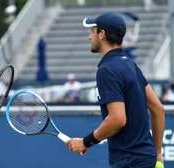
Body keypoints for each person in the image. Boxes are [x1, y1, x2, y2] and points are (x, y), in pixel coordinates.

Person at [66, 12, 165, 168]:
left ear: (102, 34)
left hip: (129, 161)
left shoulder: (106, 70)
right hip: (148, 159)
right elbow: (158, 109)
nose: (89, 36)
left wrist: (85, 142)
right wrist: (158, 153)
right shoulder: (130, 65)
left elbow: (118, 119)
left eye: (92, 31)